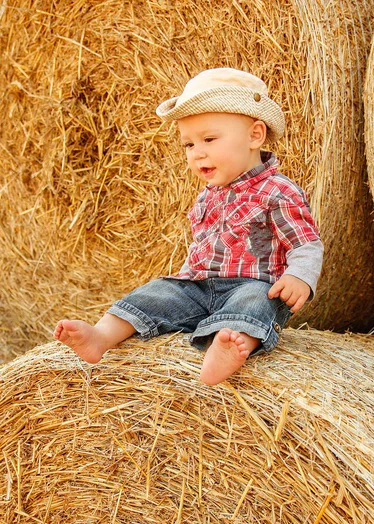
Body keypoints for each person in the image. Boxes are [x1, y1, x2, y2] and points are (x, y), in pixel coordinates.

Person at [54, 68, 323, 386]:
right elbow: (201, 247)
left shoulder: (278, 191)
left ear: (255, 136)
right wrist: (180, 282)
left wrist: (298, 277)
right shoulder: (206, 197)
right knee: (155, 293)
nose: (198, 153)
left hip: (252, 284)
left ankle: (226, 347)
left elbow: (306, 242)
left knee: (255, 303)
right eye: (188, 145)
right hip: (198, 286)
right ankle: (101, 336)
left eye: (208, 139)